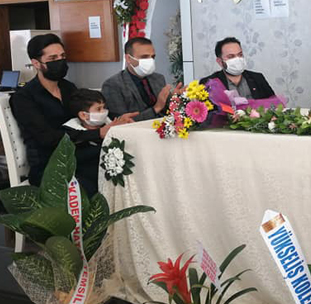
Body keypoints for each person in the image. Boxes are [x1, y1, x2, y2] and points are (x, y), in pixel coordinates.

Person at [10, 34, 135, 190]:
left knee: (122, 158)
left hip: (79, 155)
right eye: (53, 58)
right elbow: (47, 138)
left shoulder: (68, 88)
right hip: (49, 165)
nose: (60, 61)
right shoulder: (24, 97)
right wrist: (98, 133)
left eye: (62, 56)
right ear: (36, 63)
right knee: (105, 169)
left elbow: (86, 114)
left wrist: (116, 120)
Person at [102, 37, 182, 121]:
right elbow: (122, 122)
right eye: (144, 57)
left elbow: (165, 110)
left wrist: (174, 99)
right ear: (128, 58)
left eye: (152, 57)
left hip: (163, 126)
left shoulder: (158, 78)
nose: (150, 61)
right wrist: (156, 108)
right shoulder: (113, 85)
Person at [62, 89, 118, 195]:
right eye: (99, 109)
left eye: (104, 107)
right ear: (83, 115)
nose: (104, 111)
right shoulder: (70, 132)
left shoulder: (111, 121)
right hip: (90, 179)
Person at [199, 37, 276, 99]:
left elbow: (275, 105)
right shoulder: (208, 83)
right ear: (220, 61)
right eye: (231, 57)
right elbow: (205, 111)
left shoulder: (258, 78)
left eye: (240, 55)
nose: (237, 59)